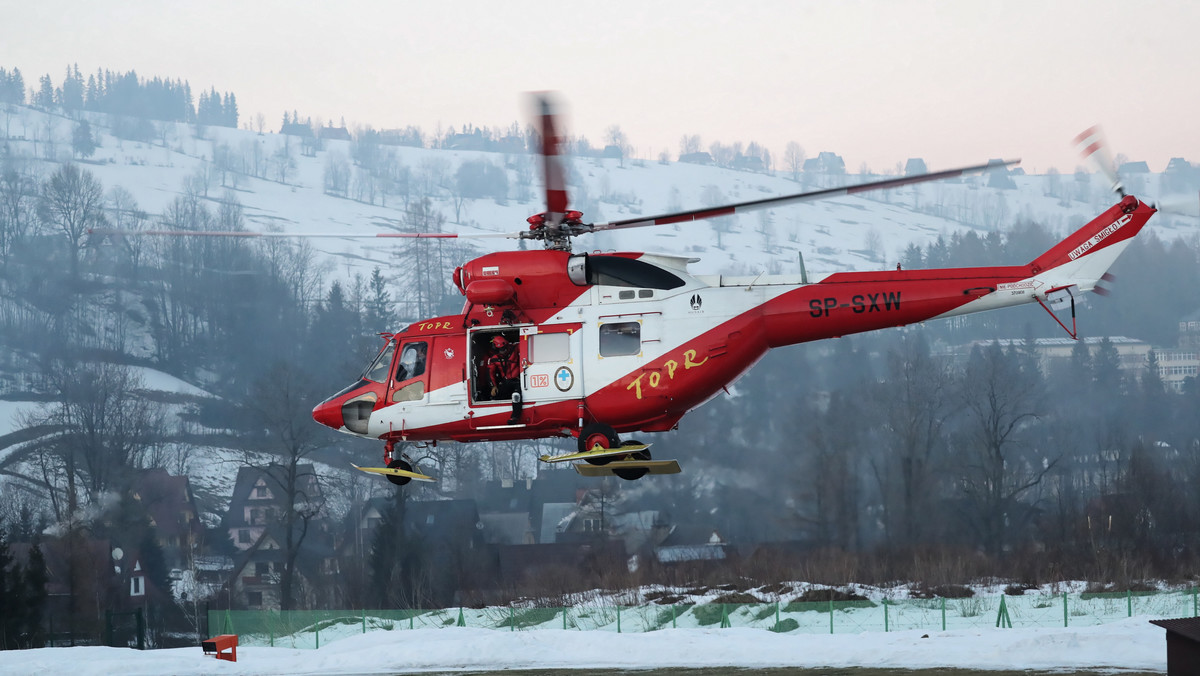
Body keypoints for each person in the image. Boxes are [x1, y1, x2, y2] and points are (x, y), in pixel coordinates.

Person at [485, 334, 523, 423]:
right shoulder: (494, 359)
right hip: (506, 381)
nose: (503, 351)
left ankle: (515, 417)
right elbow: (490, 373)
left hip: (518, 380)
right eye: (501, 349)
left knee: (516, 396)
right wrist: (493, 386)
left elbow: (526, 344)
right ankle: (492, 418)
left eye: (504, 348)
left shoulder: (515, 348)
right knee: (495, 396)